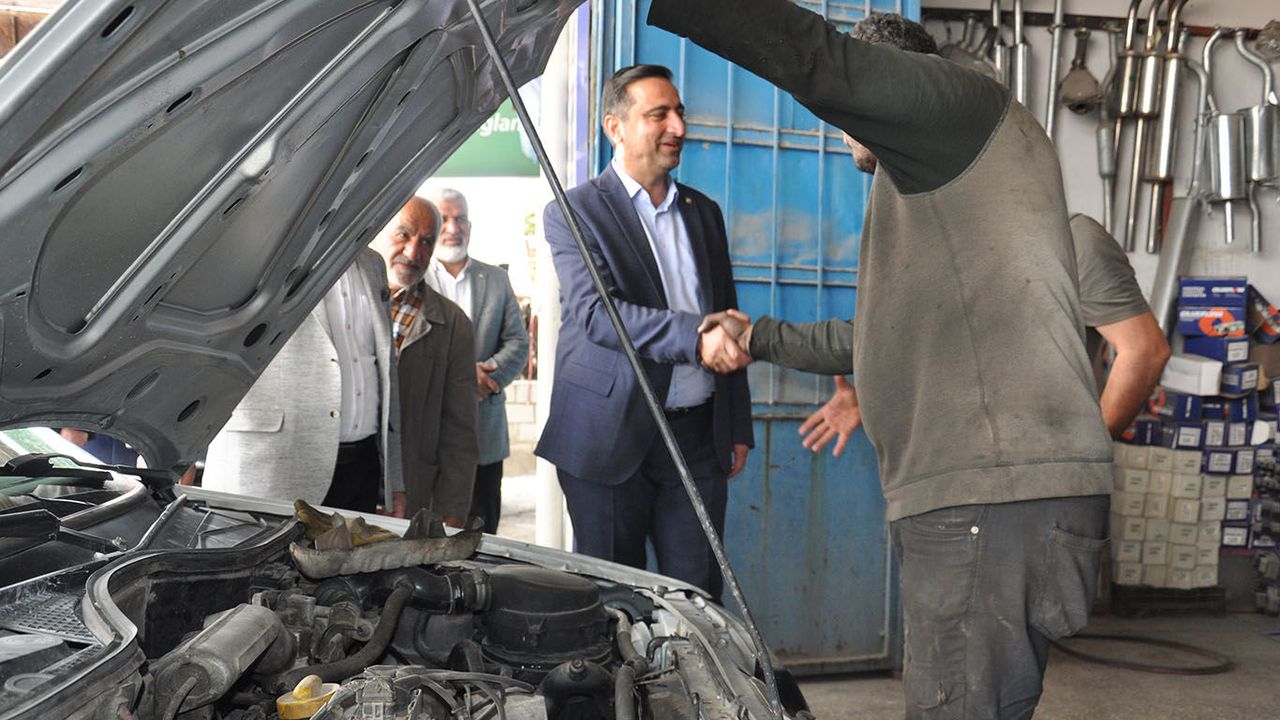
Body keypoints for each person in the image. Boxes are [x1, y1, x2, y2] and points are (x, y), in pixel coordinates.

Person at [649, 4, 1148, 716]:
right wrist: (759, 337)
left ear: (893, 83)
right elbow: (873, 334)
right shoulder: (943, 179)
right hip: (988, 502)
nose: (842, 125)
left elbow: (819, 61)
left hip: (987, 501)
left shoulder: (957, 107)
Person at [536, 64, 753, 602]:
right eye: (659, 115)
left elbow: (727, 316)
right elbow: (597, 313)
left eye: (679, 113)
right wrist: (695, 338)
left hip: (696, 437)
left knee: (697, 598)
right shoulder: (574, 210)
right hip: (607, 434)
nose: (678, 127)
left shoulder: (703, 212)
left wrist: (736, 422)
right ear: (616, 127)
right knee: (612, 600)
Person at [746, 212, 1171, 457]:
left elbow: (1145, 351)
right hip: (956, 480)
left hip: (1036, 487)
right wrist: (872, 396)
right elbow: (940, 354)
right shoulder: (956, 254)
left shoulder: (1074, 240)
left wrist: (1087, 455)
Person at [203, 249, 404, 516]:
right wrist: (174, 450)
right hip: (271, 467)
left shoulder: (372, 263)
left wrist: (394, 481)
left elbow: (384, 371)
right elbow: (205, 344)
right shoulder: (257, 244)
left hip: (361, 470)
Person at [424, 188, 530, 533]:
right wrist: (462, 378)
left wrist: (487, 377)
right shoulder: (416, 279)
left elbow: (518, 343)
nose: (453, 227)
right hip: (428, 439)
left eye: (461, 219)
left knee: (483, 534)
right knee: (428, 537)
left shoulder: (496, 279)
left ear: (470, 226)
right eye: (445, 219)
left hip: (484, 435)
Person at [370, 196, 478, 526]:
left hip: (412, 497)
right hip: (342, 490)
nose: (414, 252)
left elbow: (459, 432)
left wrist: (451, 513)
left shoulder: (452, 323)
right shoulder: (349, 303)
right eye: (403, 234)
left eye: (427, 241)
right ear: (379, 231)